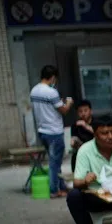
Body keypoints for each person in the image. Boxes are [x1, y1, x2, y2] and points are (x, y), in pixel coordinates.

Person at [31, 65, 74, 199]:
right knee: (55, 163)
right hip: (54, 131)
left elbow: (48, 106)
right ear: (53, 77)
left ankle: (61, 186)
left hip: (42, 131)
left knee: (55, 160)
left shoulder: (34, 91)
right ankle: (54, 190)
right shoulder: (51, 92)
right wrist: (68, 103)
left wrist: (58, 103)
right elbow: (64, 111)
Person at [70, 100, 94, 172]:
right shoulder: (75, 125)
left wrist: (86, 126)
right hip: (81, 150)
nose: (83, 113)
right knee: (75, 155)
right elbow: (74, 138)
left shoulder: (96, 122)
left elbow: (99, 133)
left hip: (94, 150)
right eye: (80, 111)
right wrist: (73, 142)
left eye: (85, 111)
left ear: (90, 111)